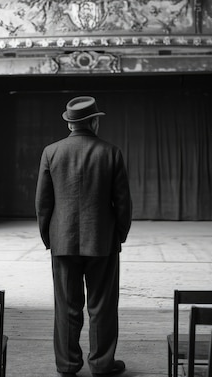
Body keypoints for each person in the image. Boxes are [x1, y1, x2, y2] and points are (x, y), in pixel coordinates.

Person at [35, 96, 133, 377]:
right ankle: (102, 364)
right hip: (102, 242)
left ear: (69, 123)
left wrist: (49, 238)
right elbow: (123, 203)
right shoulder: (111, 152)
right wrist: (119, 235)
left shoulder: (51, 152)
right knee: (102, 305)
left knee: (66, 306)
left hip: (62, 242)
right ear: (94, 122)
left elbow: (43, 203)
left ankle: (67, 365)